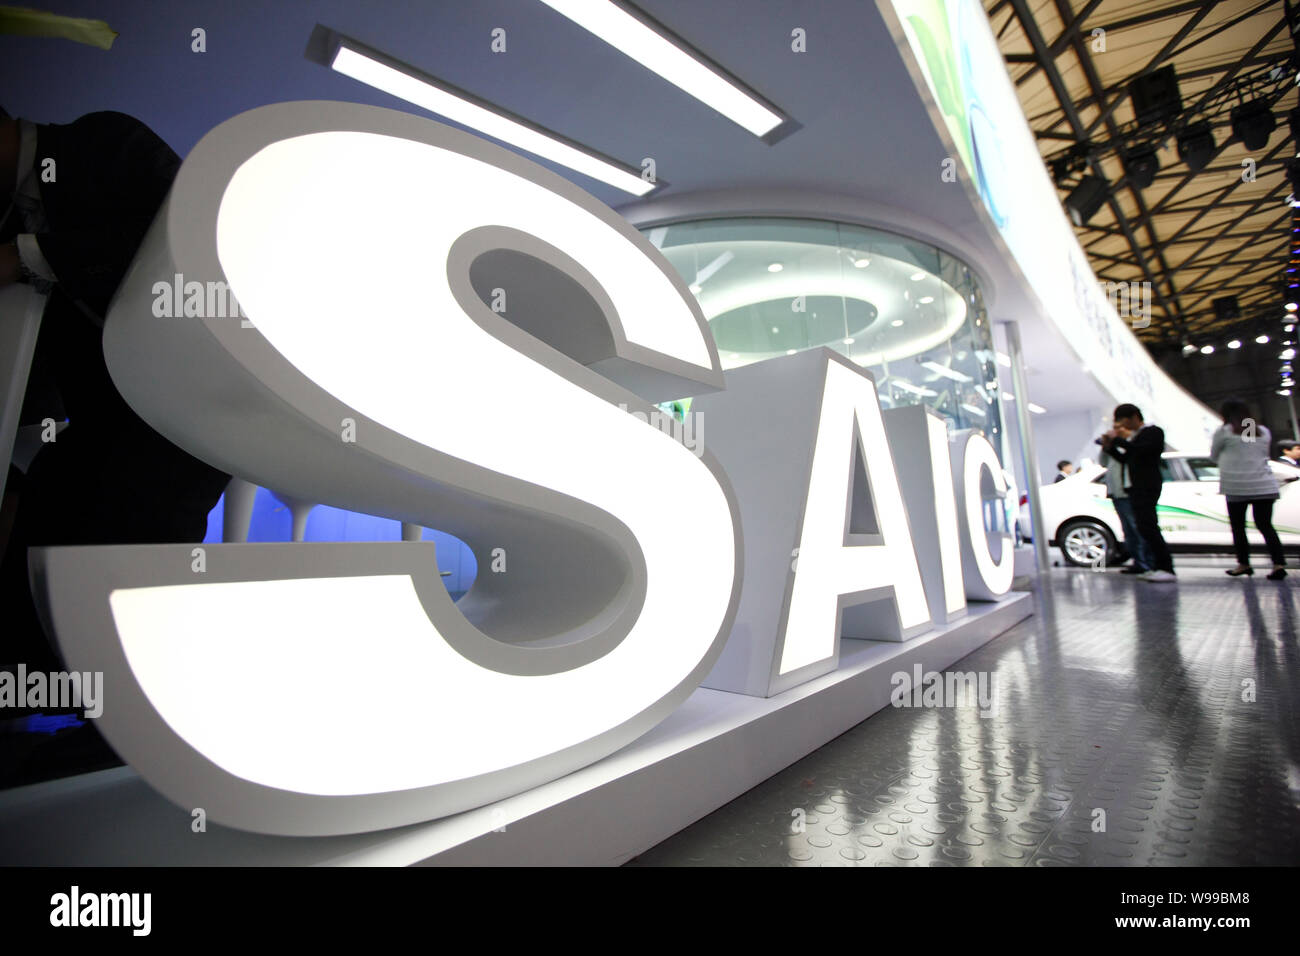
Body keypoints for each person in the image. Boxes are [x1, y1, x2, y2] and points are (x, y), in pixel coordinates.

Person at [0, 105, 231, 668]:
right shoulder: (13, 225)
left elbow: (182, 248)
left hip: (183, 417)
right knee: (50, 512)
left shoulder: (102, 138)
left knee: (130, 543)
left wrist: (25, 257)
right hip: (109, 421)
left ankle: (113, 706)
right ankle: (45, 691)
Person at [1212, 400, 1287, 579]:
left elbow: (1213, 456)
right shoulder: (1261, 431)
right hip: (1264, 485)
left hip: (1237, 486)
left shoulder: (1224, 432)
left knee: (1238, 528)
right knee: (1265, 526)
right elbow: (1251, 451)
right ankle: (1278, 564)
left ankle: (1244, 564)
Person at [1101, 403, 1175, 582]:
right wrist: (1109, 447)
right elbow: (1126, 458)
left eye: (1125, 421)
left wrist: (1118, 439)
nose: (1124, 426)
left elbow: (1141, 452)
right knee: (1144, 528)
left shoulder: (1153, 432)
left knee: (1149, 527)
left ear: (1135, 417)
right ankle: (1156, 567)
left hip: (1147, 486)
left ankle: (1166, 568)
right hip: (1134, 488)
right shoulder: (1135, 437)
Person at [1097, 440, 1151, 575]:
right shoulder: (1112, 448)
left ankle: (1146, 563)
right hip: (1116, 493)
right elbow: (1103, 463)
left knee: (1136, 529)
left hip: (1127, 492)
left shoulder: (1129, 445)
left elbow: (1126, 461)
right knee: (1128, 530)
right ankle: (1139, 562)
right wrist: (1105, 447)